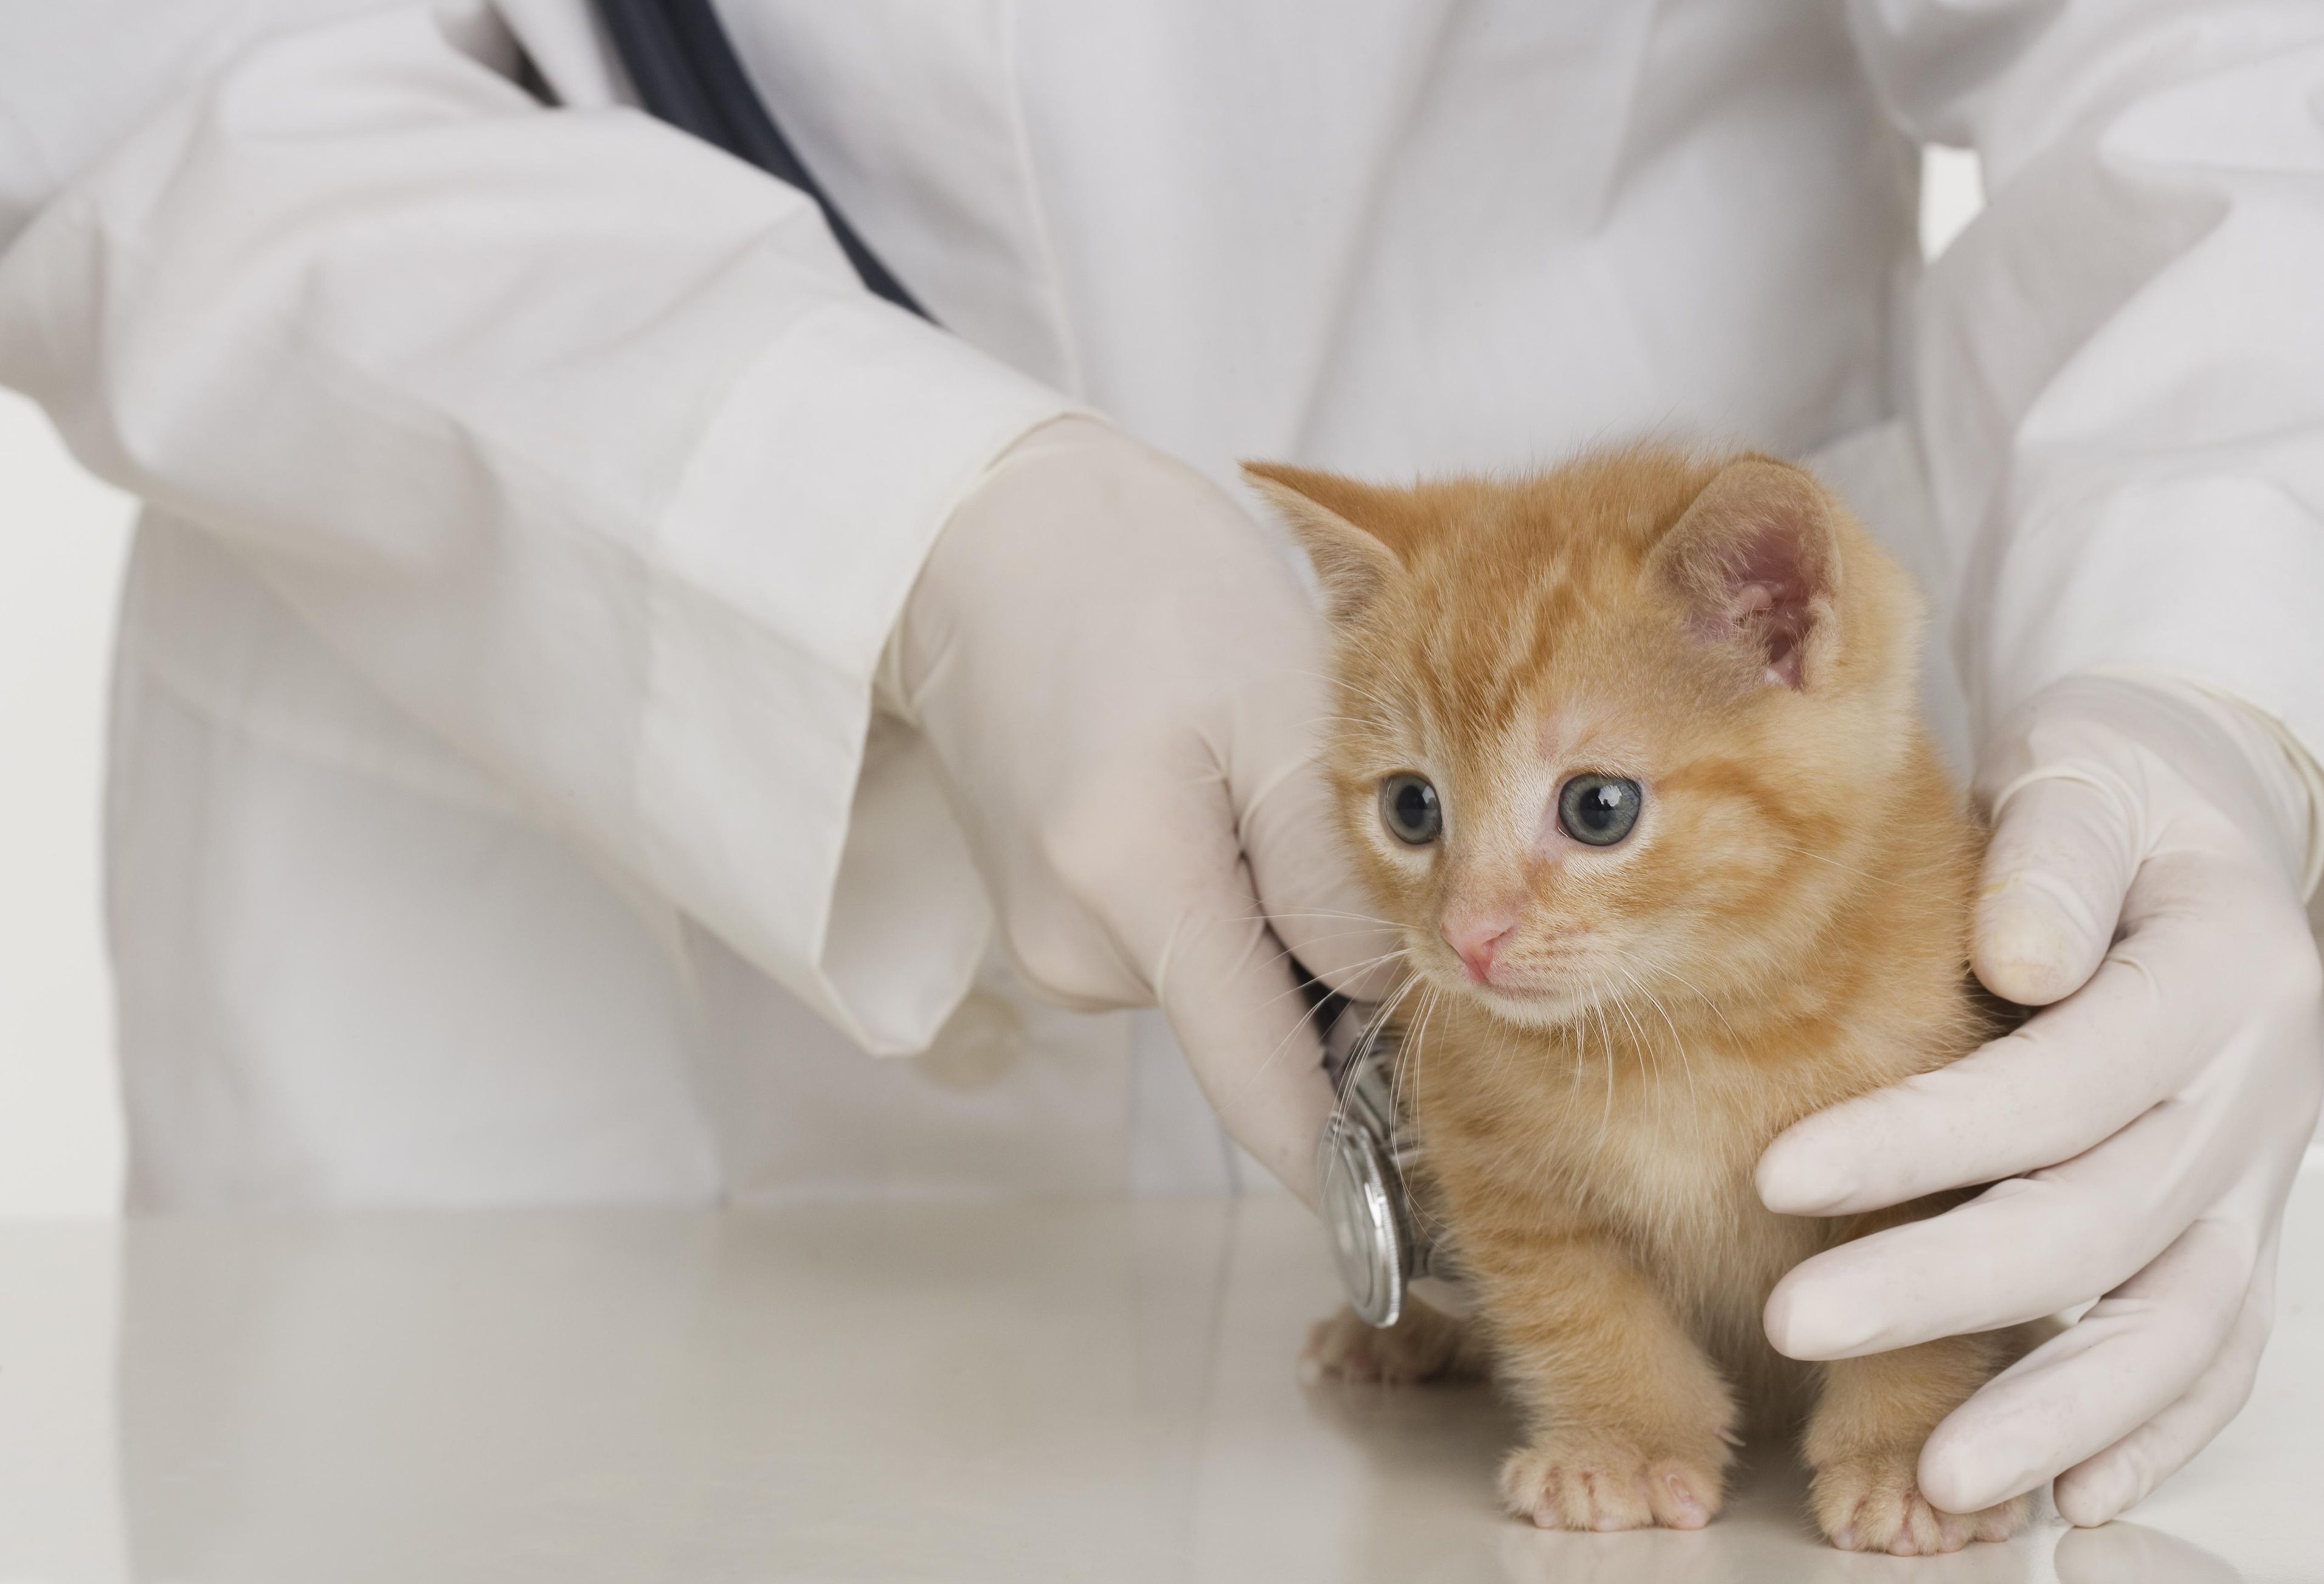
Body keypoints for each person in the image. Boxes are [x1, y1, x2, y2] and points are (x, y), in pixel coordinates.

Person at [1, 0, 2317, 1529]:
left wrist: (2214, 661)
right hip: (541, 934)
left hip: (1642, 632)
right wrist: (883, 524)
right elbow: (134, 83)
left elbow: (2215, 62)